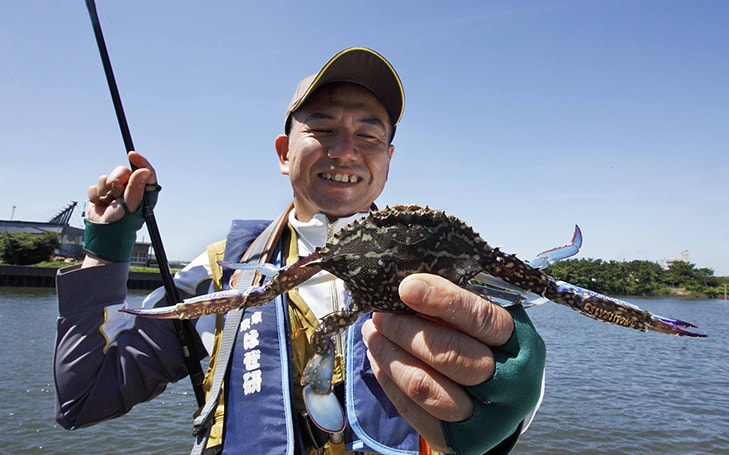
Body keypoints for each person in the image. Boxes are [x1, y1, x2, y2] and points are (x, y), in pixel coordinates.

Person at [54, 47, 546, 455]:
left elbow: (499, 417)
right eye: (322, 129)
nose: (345, 150)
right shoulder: (219, 273)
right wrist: (106, 249)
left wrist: (504, 409)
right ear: (283, 152)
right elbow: (84, 397)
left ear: (388, 157)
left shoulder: (445, 274)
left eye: (368, 134)